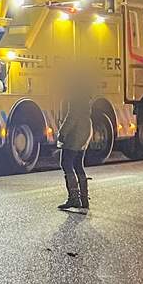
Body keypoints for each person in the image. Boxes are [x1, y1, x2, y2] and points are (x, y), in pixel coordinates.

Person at [57, 70, 94, 213]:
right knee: (78, 164)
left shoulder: (75, 97)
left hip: (76, 131)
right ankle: (84, 199)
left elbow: (71, 117)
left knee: (66, 163)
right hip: (85, 129)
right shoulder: (85, 96)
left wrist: (62, 133)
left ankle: (74, 198)